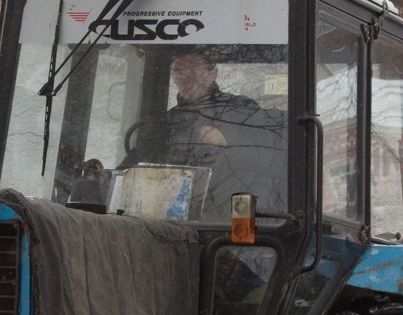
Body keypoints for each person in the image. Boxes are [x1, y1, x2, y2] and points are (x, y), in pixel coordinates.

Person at [121, 49, 285, 217]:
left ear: (212, 74)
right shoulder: (167, 121)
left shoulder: (241, 110)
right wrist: (112, 178)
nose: (187, 77)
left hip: (232, 216)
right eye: (179, 71)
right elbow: (142, 160)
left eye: (195, 70)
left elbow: (271, 156)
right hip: (177, 217)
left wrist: (229, 139)